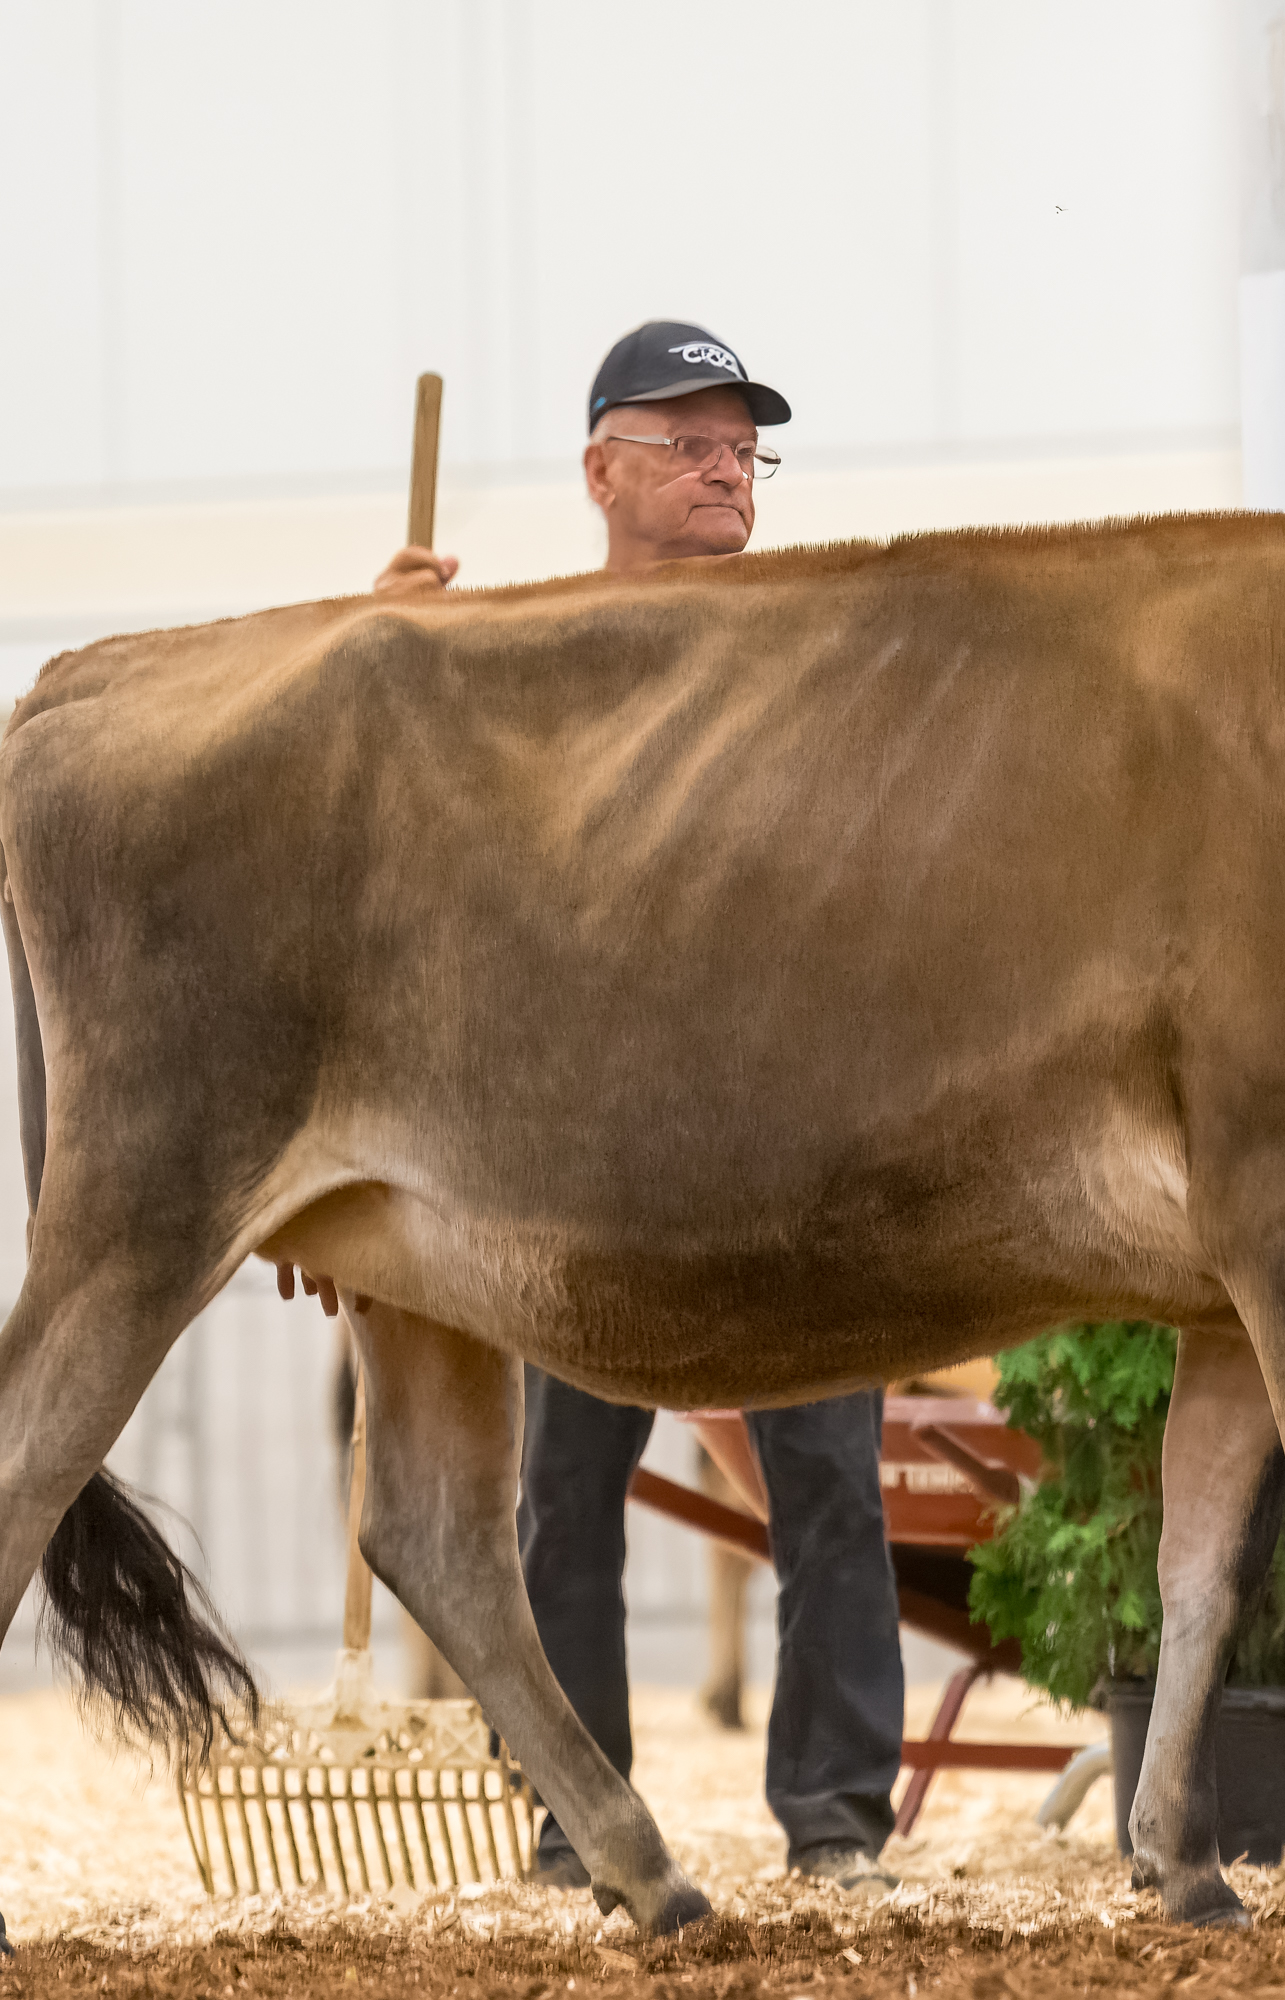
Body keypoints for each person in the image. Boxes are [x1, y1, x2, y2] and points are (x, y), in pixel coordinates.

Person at [373, 321, 909, 1890]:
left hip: (793, 1142)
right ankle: (576, 1822)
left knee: (832, 1485)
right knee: (564, 1493)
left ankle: (837, 1825)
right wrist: (387, 650)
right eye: (690, 443)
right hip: (588, 1154)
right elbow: (401, 818)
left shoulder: (815, 655)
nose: (726, 469)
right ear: (602, 471)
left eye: (745, 447)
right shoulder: (524, 658)